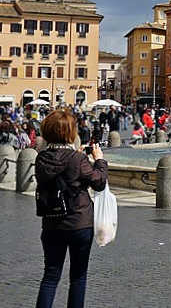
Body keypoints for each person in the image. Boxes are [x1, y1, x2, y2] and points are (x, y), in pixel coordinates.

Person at [34, 109, 108, 308]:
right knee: (78, 276)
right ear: (70, 133)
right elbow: (98, 182)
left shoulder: (41, 158)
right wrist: (99, 160)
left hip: (52, 223)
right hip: (79, 223)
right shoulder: (76, 159)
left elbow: (60, 165)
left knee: (50, 276)